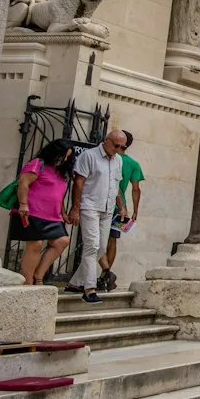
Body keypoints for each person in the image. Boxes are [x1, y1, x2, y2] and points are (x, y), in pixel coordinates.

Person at [66, 128, 127, 304]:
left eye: (122, 146)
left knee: (100, 247)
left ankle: (74, 283)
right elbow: (78, 183)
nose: (119, 149)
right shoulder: (89, 156)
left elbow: (115, 186)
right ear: (107, 141)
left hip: (107, 209)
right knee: (92, 245)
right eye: (116, 145)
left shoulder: (119, 161)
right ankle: (89, 289)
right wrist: (75, 208)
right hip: (90, 206)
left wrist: (121, 207)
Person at [9, 138, 76, 286]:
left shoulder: (61, 172)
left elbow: (57, 195)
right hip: (31, 212)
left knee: (62, 241)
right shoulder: (38, 164)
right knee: (36, 245)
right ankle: (28, 281)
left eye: (67, 157)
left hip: (52, 215)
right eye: (62, 155)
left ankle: (38, 276)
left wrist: (63, 212)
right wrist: (23, 204)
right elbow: (23, 183)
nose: (64, 159)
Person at [97, 131, 142, 292]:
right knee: (112, 240)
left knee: (95, 239)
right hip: (120, 206)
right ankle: (105, 276)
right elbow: (136, 189)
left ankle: (105, 273)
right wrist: (135, 210)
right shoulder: (133, 164)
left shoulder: (110, 157)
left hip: (104, 202)